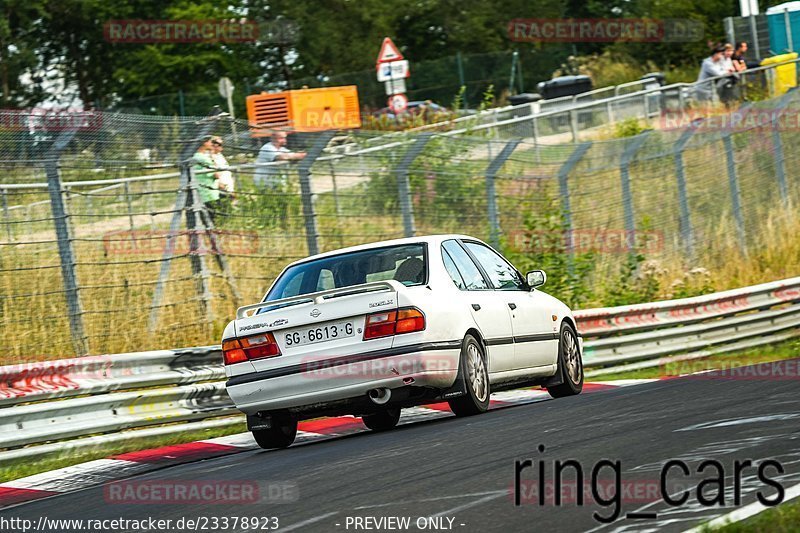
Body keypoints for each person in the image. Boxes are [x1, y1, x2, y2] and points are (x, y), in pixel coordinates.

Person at [191, 136, 221, 216]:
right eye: (210, 142)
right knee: (217, 221)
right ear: (204, 143)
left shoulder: (195, 156)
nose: (212, 144)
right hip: (210, 195)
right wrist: (212, 157)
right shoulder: (203, 159)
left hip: (202, 194)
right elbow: (217, 175)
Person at [210, 136, 235, 210]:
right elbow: (214, 173)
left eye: (221, 144)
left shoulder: (219, 155)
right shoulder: (210, 157)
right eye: (219, 144)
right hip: (221, 186)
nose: (221, 146)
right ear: (213, 145)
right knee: (223, 207)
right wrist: (220, 184)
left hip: (228, 185)